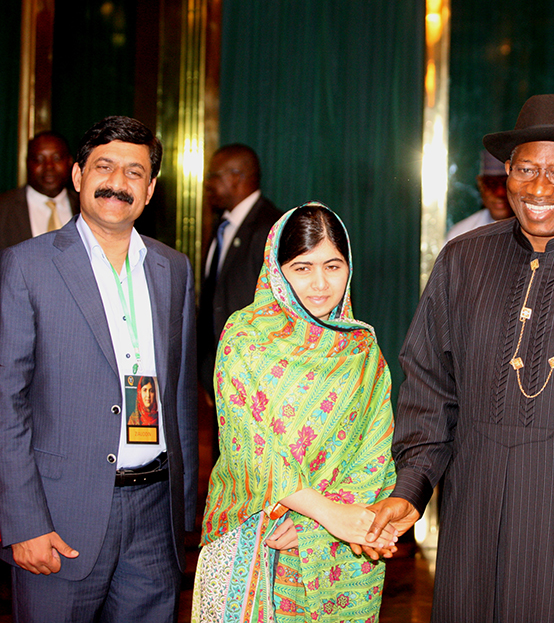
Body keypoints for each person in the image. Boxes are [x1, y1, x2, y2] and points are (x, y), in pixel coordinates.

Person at [365, 93, 554, 623]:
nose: (539, 188)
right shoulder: (462, 261)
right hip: (470, 527)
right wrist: (411, 489)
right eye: (526, 169)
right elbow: (430, 390)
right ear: (506, 173)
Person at [0, 116, 198, 622]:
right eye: (104, 167)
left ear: (150, 190)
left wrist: (182, 514)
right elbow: (6, 403)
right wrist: (22, 522)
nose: (117, 182)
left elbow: (178, 395)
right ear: (78, 175)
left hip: (155, 517)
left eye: (134, 172)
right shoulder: (27, 265)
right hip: (60, 516)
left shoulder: (173, 268)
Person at [193, 203, 398, 622]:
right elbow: (249, 446)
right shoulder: (245, 336)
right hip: (252, 535)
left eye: (333, 266)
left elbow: (374, 455)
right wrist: (325, 514)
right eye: (302, 268)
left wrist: (316, 527)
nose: (320, 284)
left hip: (336, 541)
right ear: (277, 270)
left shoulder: (363, 352)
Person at [198, 143, 281, 392]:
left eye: (213, 176)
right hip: (219, 373)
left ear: (235, 177)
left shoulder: (271, 227)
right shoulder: (222, 225)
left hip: (254, 377)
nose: (207, 184)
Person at [0, 131, 78, 251]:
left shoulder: (85, 206)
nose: (49, 166)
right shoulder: (4, 208)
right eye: (39, 159)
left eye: (56, 158)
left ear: (69, 162)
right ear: (27, 163)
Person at [444, 150, 512, 243]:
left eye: (506, 184)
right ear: (480, 185)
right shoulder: (460, 235)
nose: (500, 193)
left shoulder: (532, 231)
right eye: (491, 184)